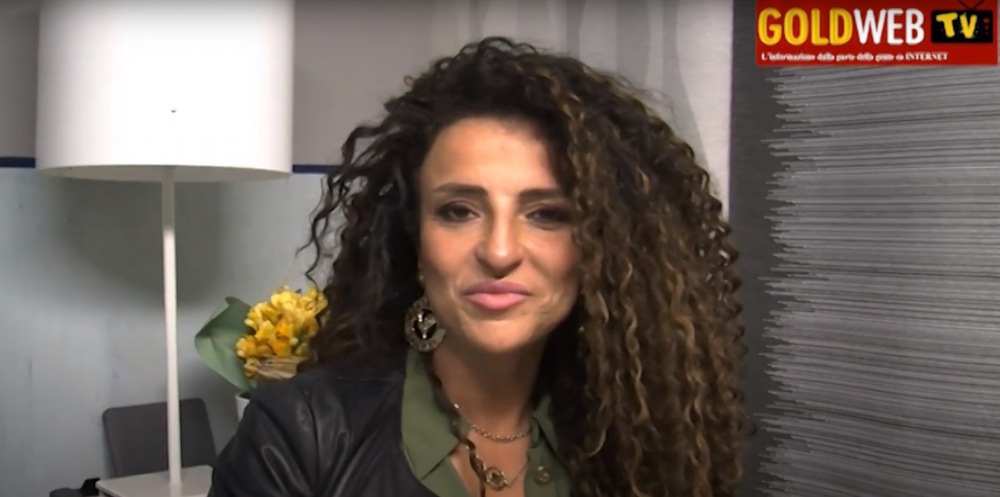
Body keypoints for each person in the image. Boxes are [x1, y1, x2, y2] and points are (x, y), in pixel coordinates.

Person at [209, 36, 748, 497]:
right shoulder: (302, 433)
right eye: (459, 211)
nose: (499, 250)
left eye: (546, 214)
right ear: (415, 240)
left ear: (601, 247)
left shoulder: (642, 438)